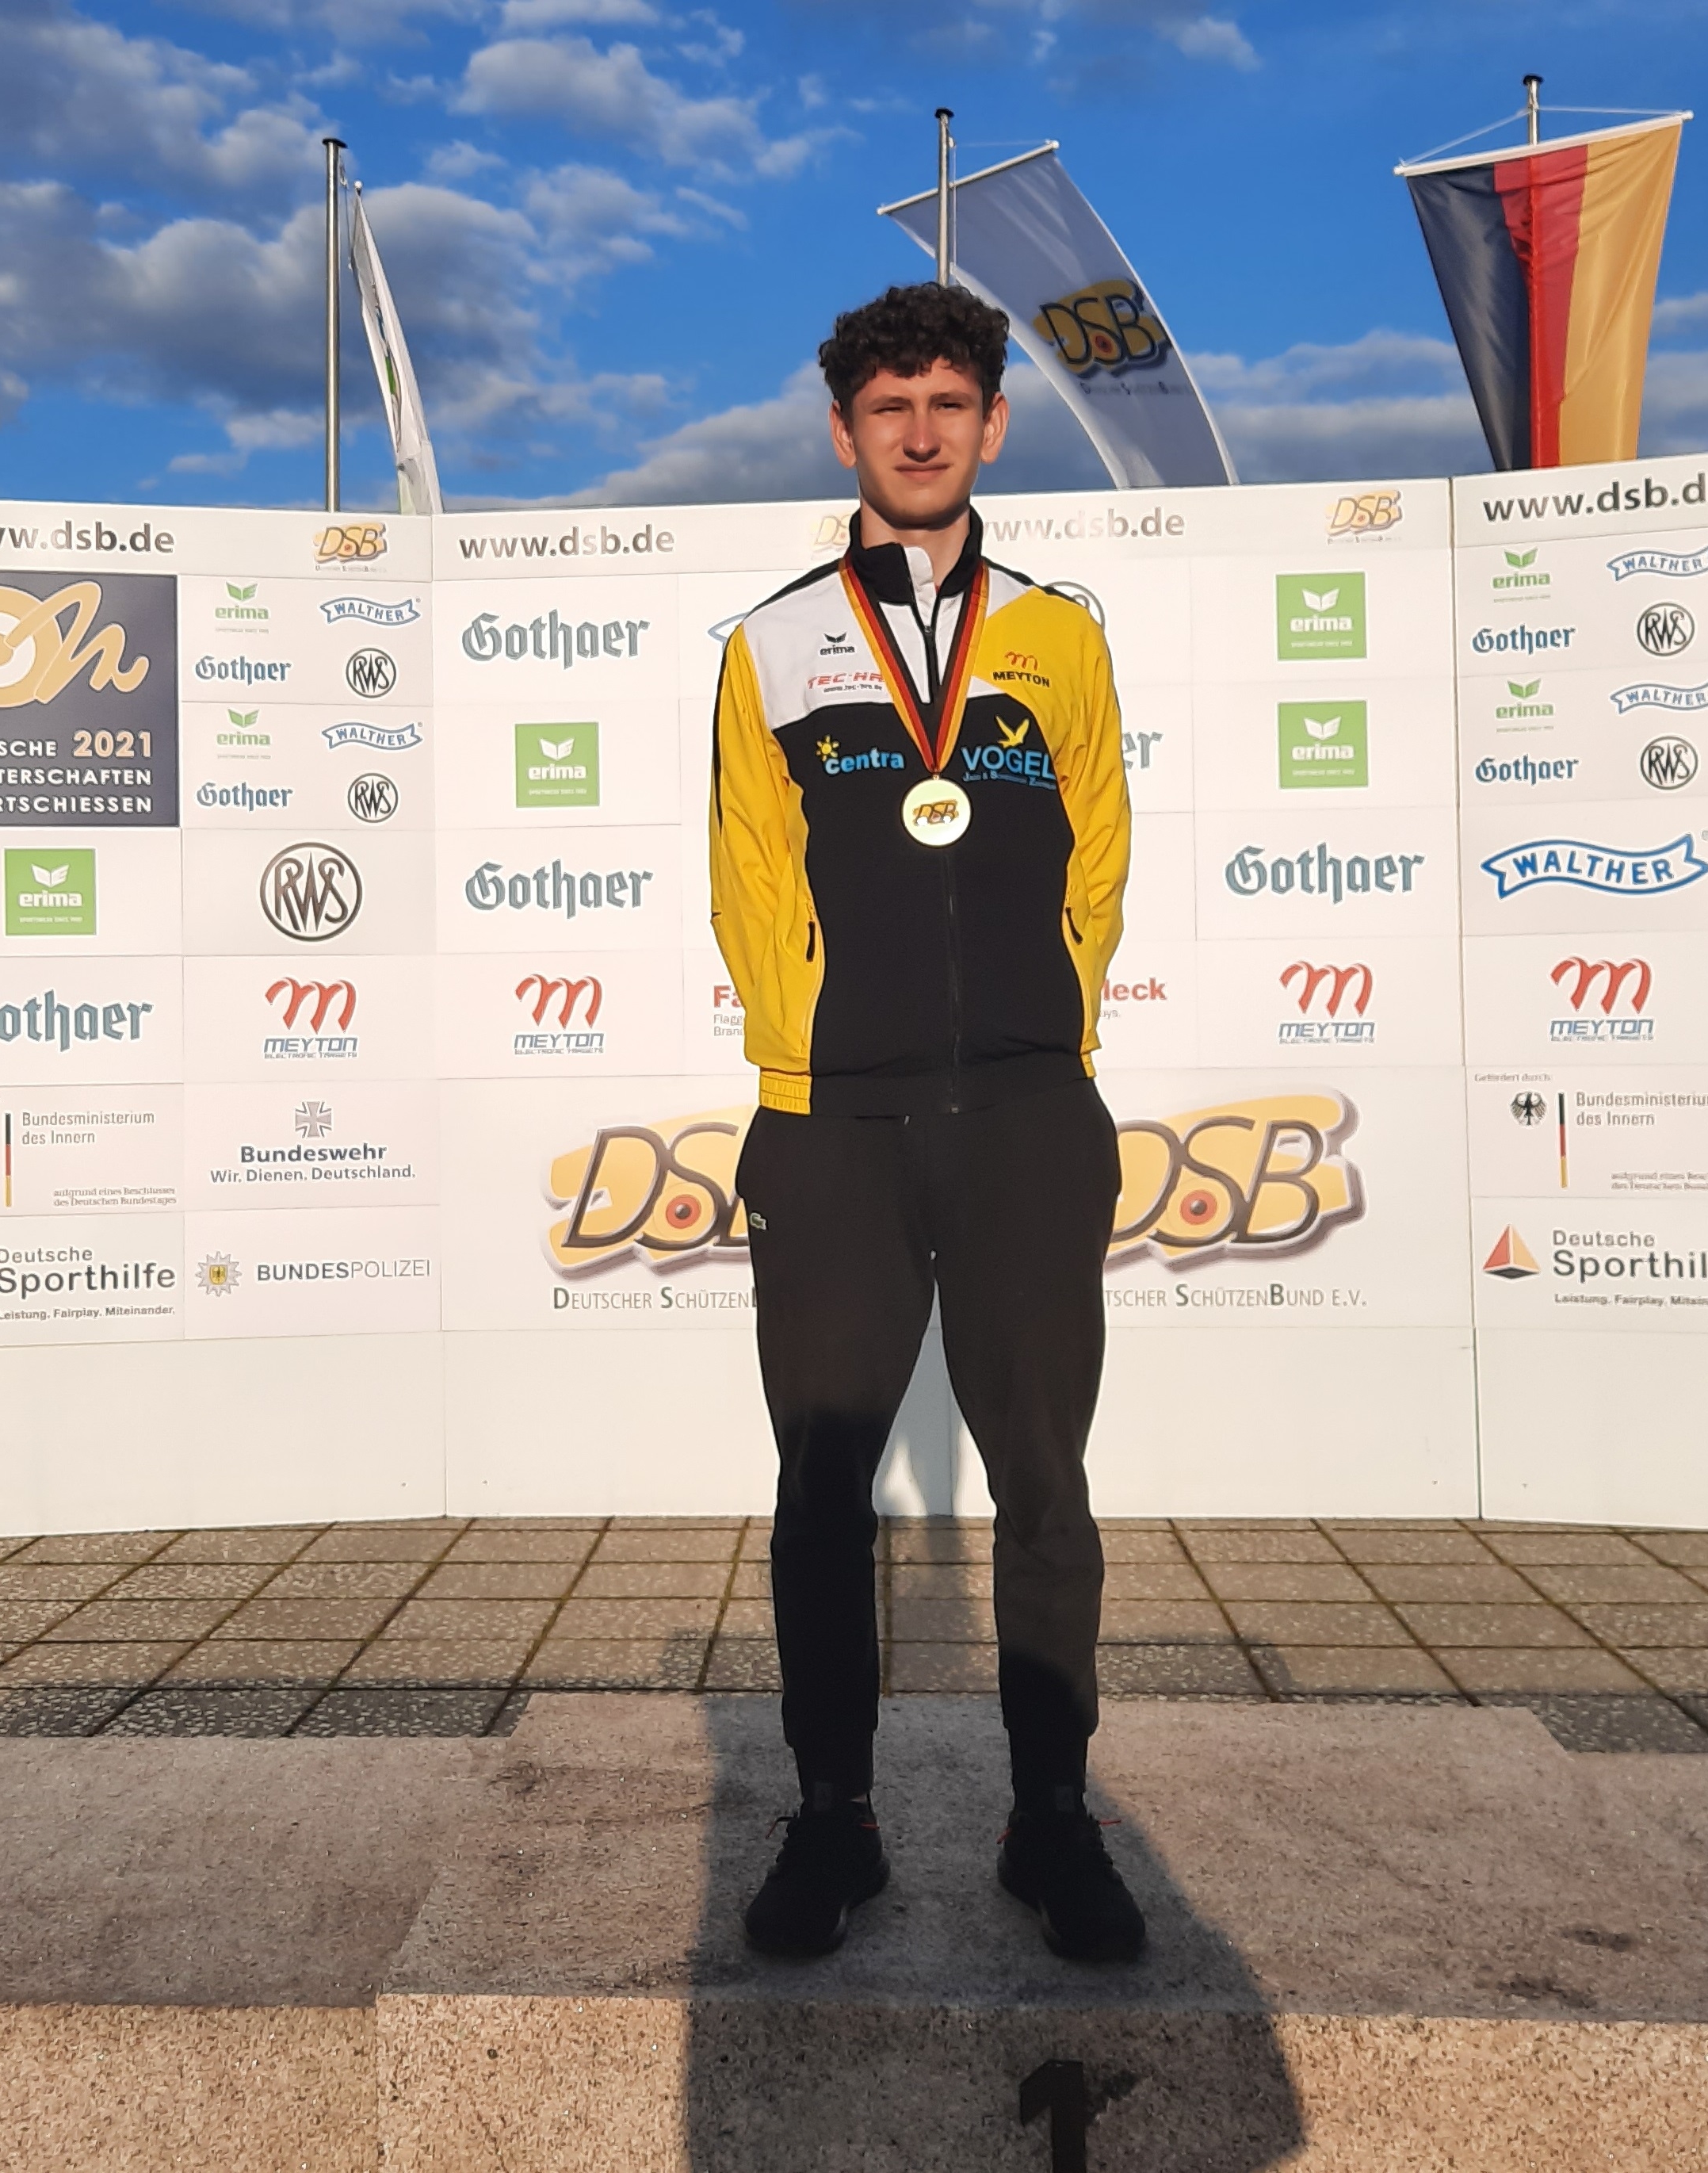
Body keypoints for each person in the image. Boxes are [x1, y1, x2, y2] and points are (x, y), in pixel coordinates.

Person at [707, 282, 1143, 1964]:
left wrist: (1052, 1024)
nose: (918, 430)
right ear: (843, 433)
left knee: (1044, 1484)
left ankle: (1052, 1821)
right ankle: (834, 1819)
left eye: (947, 401)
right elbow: (750, 876)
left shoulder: (1057, 635)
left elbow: (1098, 852)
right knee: (822, 1488)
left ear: (991, 425)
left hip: (1027, 1114)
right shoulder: (767, 644)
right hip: (833, 1125)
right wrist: (807, 1053)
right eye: (887, 406)